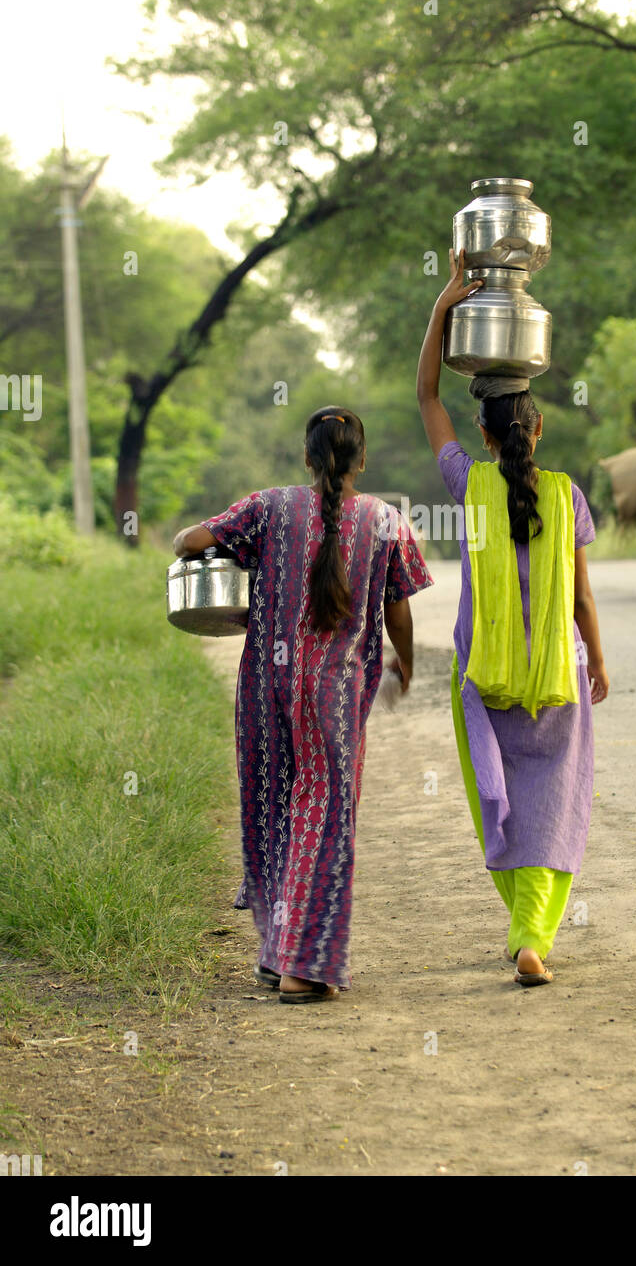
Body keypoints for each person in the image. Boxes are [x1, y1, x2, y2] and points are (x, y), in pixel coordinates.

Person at [172, 407, 432, 1003]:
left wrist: (183, 543)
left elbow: (196, 540)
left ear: (307, 459)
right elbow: (398, 605)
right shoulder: (386, 520)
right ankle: (300, 966)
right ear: (361, 460)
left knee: (270, 810)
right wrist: (406, 664)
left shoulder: (266, 507)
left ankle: (274, 953)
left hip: (266, 685)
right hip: (333, 696)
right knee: (322, 813)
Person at [417, 248, 609, 988]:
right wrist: (598, 660)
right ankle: (533, 932)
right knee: (557, 798)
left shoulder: (467, 485)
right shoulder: (566, 497)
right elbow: (583, 598)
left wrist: (444, 306)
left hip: (483, 676)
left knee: (498, 801)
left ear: (487, 436)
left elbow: (428, 398)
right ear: (536, 432)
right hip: (558, 671)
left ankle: (520, 924)